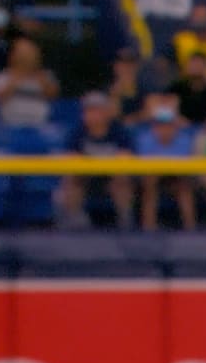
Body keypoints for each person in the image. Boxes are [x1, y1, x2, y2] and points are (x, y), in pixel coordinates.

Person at [58, 91, 135, 230]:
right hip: (86, 176)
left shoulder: (119, 131)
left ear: (106, 112)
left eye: (96, 110)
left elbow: (126, 157)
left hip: (112, 176)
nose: (92, 115)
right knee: (71, 181)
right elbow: (71, 158)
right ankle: (73, 225)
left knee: (122, 180)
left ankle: (125, 224)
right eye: (88, 111)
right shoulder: (77, 132)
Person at [137, 104, 196, 231]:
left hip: (176, 177)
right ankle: (149, 228)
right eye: (160, 125)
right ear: (154, 127)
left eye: (168, 125)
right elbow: (145, 166)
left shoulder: (184, 140)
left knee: (184, 186)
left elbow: (184, 166)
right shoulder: (145, 139)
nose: (164, 129)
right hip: (152, 177)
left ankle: (190, 228)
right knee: (149, 184)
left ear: (174, 126)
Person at [0, 36, 59, 127]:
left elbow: (53, 96)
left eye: (29, 53)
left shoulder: (45, 76)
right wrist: (16, 80)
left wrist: (40, 78)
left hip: (39, 127)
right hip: (10, 127)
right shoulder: (2, 76)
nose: (26, 58)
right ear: (13, 56)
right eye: (22, 54)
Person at [168, 52, 206, 125]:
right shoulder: (175, 89)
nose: (195, 68)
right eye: (192, 64)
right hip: (180, 129)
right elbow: (166, 110)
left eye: (199, 64)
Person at [108, 48, 146, 126]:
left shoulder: (147, 87)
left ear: (137, 66)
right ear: (116, 66)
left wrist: (134, 119)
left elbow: (151, 113)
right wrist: (115, 95)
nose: (127, 67)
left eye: (131, 63)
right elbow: (111, 117)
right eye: (123, 63)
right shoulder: (109, 91)